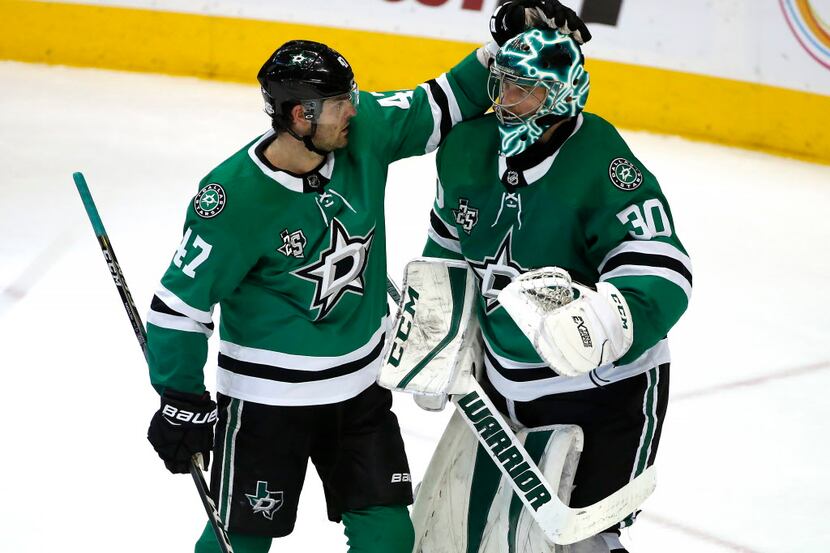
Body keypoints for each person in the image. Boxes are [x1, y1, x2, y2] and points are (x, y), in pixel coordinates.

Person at [143, 4, 591, 553]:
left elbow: (443, 100)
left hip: (358, 394)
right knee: (240, 544)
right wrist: (180, 398)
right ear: (301, 116)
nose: (353, 110)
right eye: (339, 104)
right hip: (267, 405)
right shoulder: (232, 199)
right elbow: (177, 309)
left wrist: (506, 47)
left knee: (388, 538)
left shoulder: (362, 133)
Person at [422, 28, 692, 552]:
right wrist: (439, 331)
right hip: (502, 390)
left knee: (586, 542)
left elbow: (662, 264)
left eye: (528, 89)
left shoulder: (600, 160)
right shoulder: (465, 149)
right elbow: (448, 247)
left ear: (565, 93)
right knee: (485, 534)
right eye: (503, 85)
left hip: (604, 393)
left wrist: (607, 321)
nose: (508, 102)